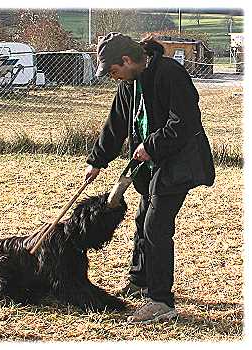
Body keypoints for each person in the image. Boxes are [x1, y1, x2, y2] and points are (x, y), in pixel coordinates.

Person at [85, 32, 215, 324]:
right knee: (143, 220)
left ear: (127, 60)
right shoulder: (129, 84)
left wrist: (150, 145)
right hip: (151, 164)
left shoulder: (171, 74)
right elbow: (116, 123)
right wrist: (97, 161)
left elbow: (184, 123)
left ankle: (160, 301)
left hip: (179, 161)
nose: (113, 77)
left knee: (156, 226)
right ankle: (139, 280)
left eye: (113, 71)